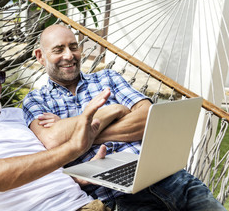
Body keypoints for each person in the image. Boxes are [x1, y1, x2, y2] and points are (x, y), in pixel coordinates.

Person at [22, 24, 225, 210]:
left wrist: (81, 136)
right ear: (40, 56)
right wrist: (113, 111)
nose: (69, 55)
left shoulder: (107, 77)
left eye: (73, 47)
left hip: (168, 177)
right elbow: (52, 140)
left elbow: (148, 119)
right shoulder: (36, 100)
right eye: (59, 49)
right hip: (117, 195)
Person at [0, 42, 117, 211]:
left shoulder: (18, 115)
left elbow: (44, 164)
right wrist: (73, 148)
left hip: (89, 204)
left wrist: (75, 178)